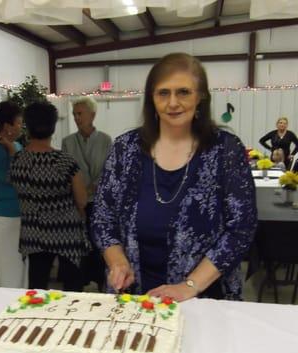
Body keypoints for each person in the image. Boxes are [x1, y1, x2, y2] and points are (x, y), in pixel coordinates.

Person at [92, 53, 258, 302]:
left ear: (200, 96)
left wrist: (190, 286)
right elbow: (103, 218)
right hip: (135, 297)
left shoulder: (226, 150)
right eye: (163, 93)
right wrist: (117, 262)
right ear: (151, 98)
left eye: (183, 92)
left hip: (204, 298)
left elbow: (241, 229)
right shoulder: (125, 149)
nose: (173, 103)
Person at [10, 101, 90, 291]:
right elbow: (82, 199)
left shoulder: (17, 161)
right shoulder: (64, 161)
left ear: (27, 127)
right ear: (53, 127)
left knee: (37, 283)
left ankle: (38, 317)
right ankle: (71, 318)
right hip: (66, 231)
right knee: (72, 285)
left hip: (33, 232)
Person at [62, 97, 112, 290]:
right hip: (76, 203)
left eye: (80, 113)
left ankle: (101, 281)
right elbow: (67, 171)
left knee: (99, 243)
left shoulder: (106, 140)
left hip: (99, 202)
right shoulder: (68, 142)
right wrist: (78, 194)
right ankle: (79, 283)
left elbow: (109, 172)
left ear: (92, 115)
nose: (76, 118)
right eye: (74, 114)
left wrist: (91, 188)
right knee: (79, 244)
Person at [0, 101, 26, 288]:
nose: (20, 126)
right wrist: (11, 153)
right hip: (3, 215)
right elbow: (12, 177)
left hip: (21, 213)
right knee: (9, 265)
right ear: (6, 126)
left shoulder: (17, 145)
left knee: (23, 266)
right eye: (18, 123)